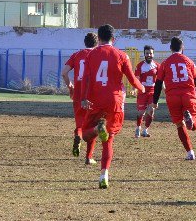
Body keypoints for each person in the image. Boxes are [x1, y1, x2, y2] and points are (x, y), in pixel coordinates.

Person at [79, 24, 145, 190]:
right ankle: (104, 175)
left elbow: (86, 78)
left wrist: (84, 98)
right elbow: (131, 78)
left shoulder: (91, 54)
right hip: (114, 101)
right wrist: (141, 87)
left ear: (99, 38)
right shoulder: (121, 55)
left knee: (87, 135)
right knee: (108, 140)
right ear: (113, 39)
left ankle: (95, 130)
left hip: (96, 100)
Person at [152, 36, 196, 161]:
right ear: (183, 48)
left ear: (170, 48)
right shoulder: (188, 61)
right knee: (194, 124)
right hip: (188, 95)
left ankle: (190, 152)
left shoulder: (165, 63)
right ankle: (191, 121)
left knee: (179, 124)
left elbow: (159, 84)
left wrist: (155, 102)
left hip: (172, 97)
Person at [60, 31, 97, 158]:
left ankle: (78, 135)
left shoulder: (76, 55)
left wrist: (70, 85)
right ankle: (89, 157)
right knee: (92, 125)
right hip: (91, 95)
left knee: (80, 123)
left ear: (84, 43)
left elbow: (64, 73)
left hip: (78, 94)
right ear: (96, 44)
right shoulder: (96, 55)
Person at [133, 45, 158, 138]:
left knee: (151, 111)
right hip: (142, 91)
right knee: (141, 113)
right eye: (147, 53)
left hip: (152, 91)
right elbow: (136, 79)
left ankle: (145, 130)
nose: (149, 55)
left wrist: (165, 90)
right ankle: (138, 127)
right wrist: (134, 89)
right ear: (144, 54)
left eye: (150, 53)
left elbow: (160, 81)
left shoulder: (157, 66)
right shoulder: (140, 66)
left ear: (153, 54)